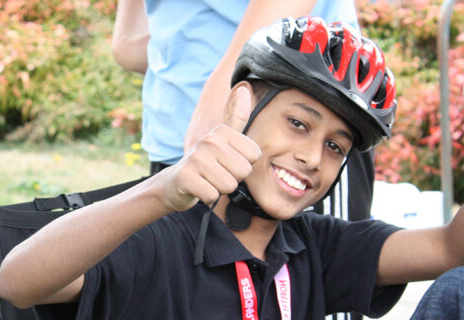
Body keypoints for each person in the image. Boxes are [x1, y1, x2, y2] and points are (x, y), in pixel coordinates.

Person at [0, 17, 464, 319]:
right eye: (298, 124)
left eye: (337, 147)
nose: (313, 157)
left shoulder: (310, 246)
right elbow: (19, 282)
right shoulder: (155, 235)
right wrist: (161, 190)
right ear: (245, 106)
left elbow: (461, 250)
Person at [115, 0, 375, 258]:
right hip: (178, 137)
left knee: (316, 282)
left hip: (299, 118)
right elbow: (127, 45)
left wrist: (220, 98)